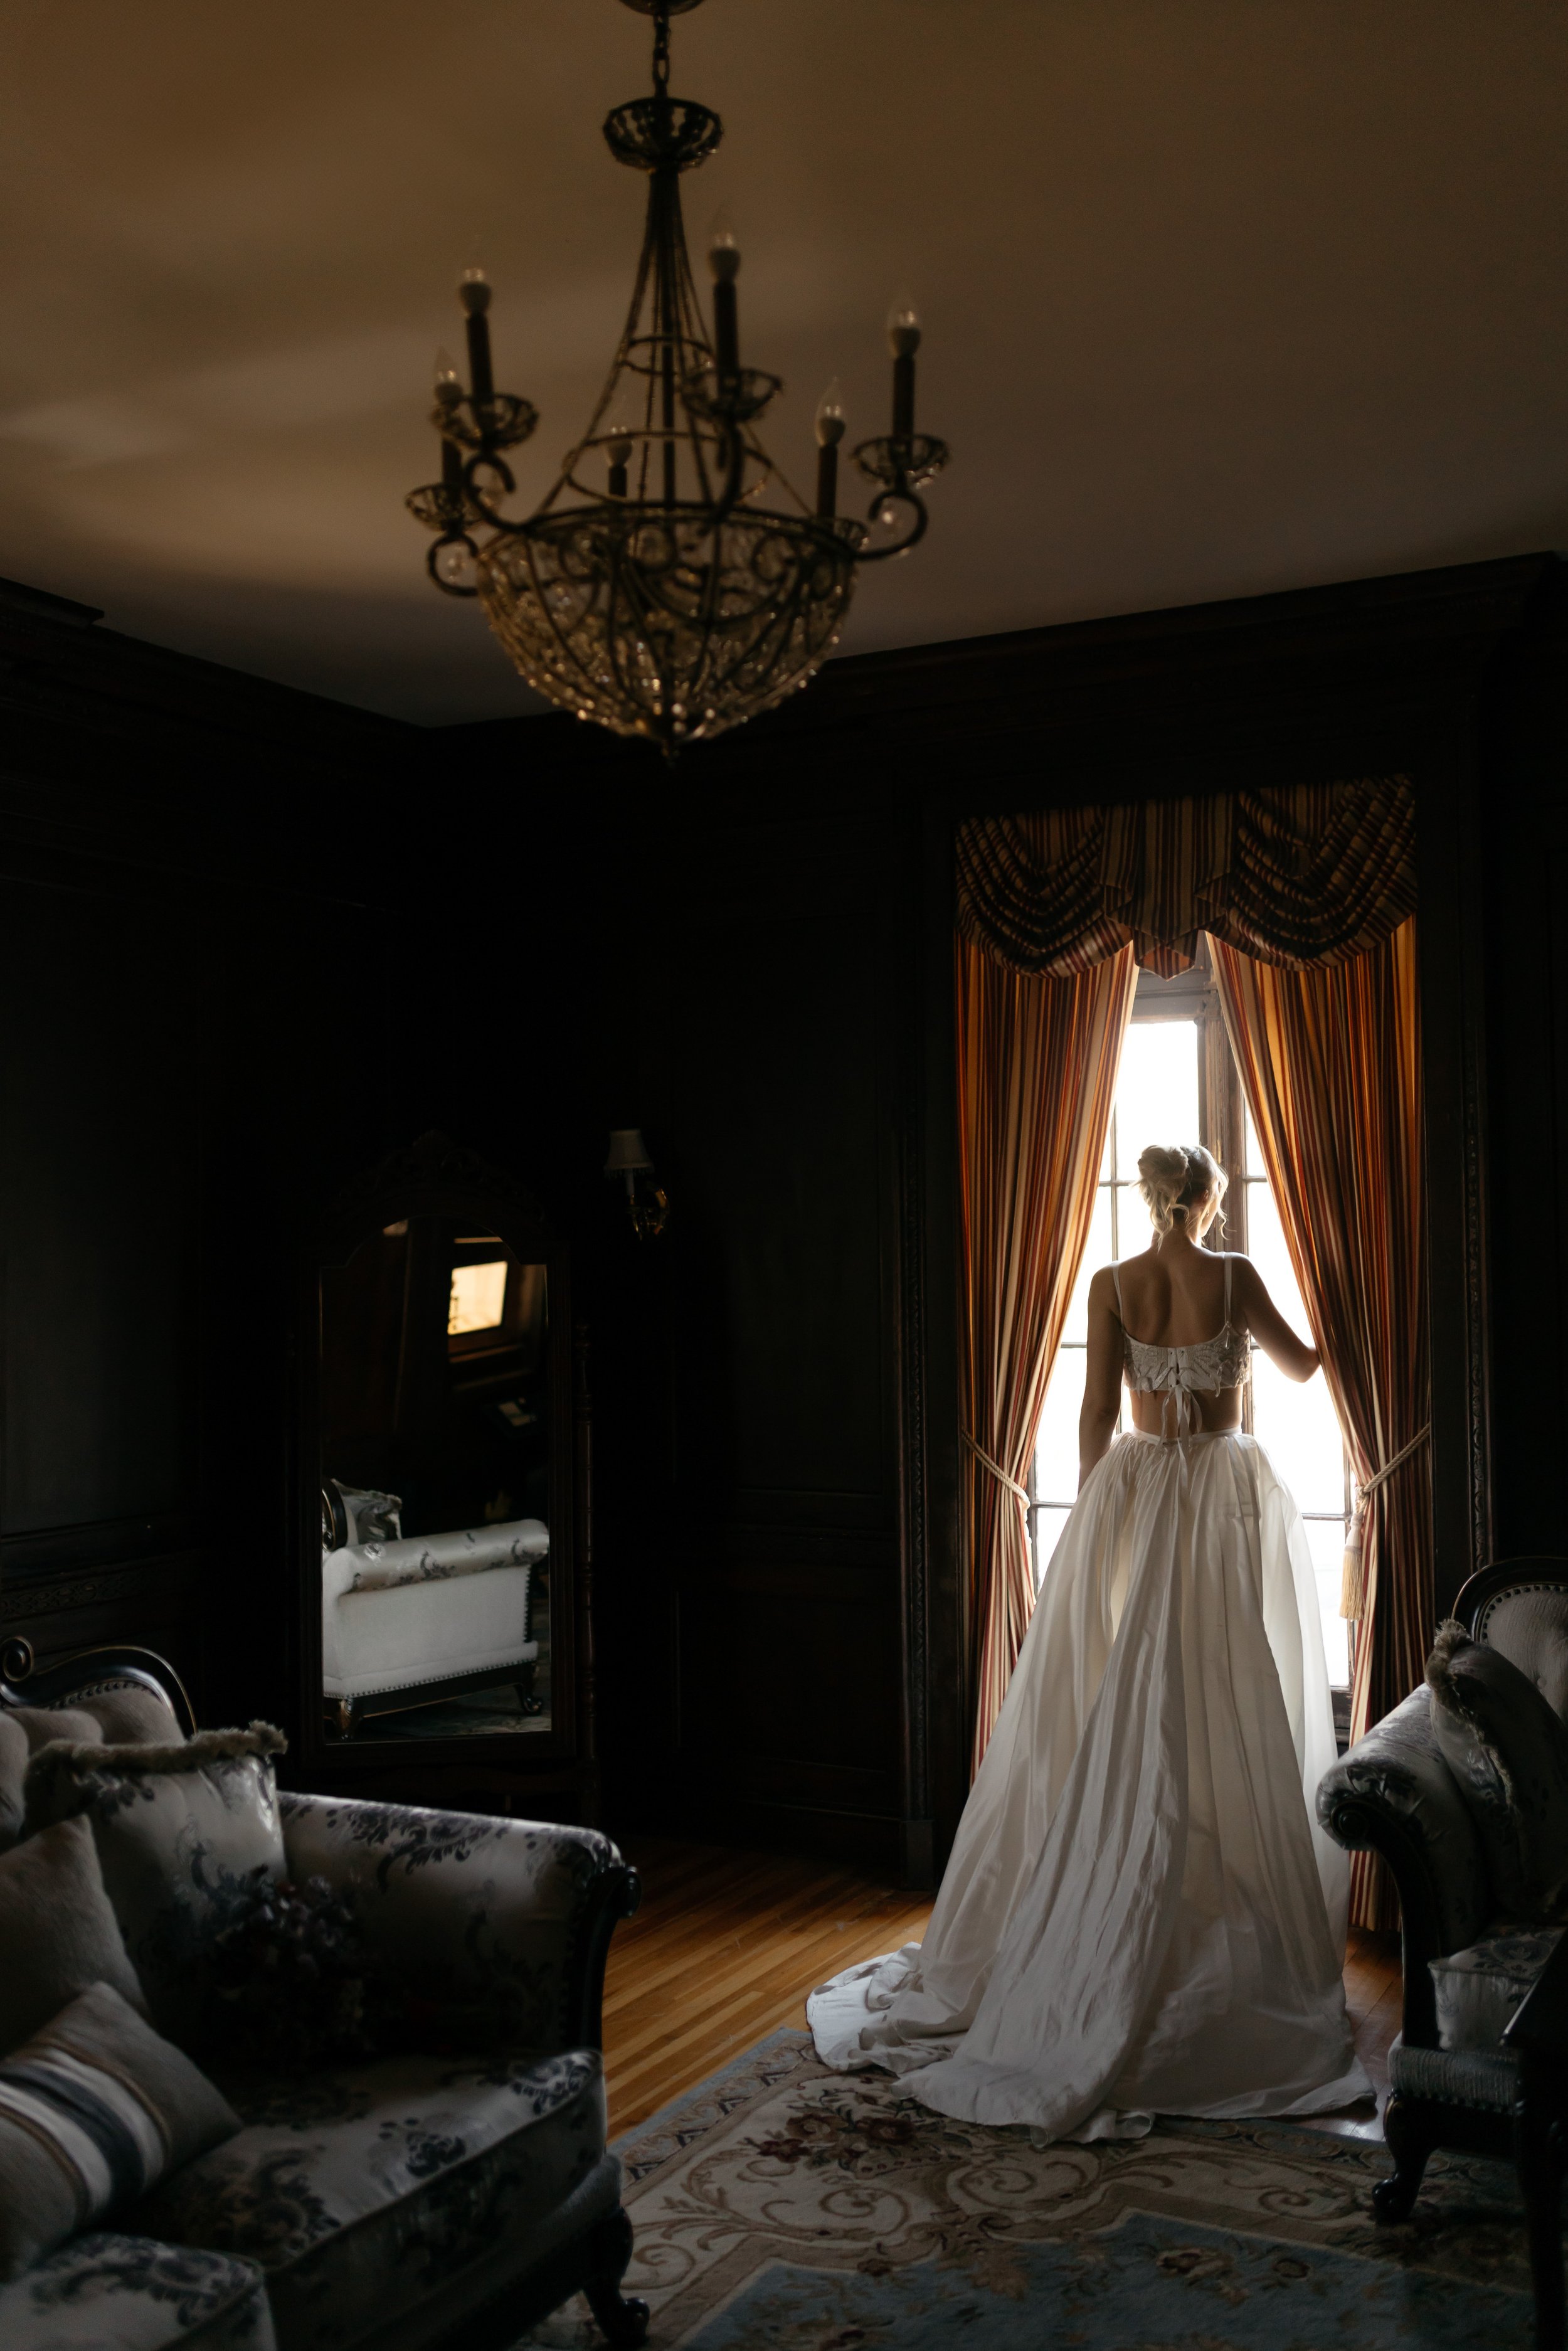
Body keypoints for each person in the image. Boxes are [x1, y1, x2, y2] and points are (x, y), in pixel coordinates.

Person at [808, 1141, 1370, 2141]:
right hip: (1223, 1494)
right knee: (1224, 1690)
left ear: (1154, 1197)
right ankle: (1200, 1907)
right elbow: (1302, 1365)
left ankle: (1138, 1895)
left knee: (1138, 1694)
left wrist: (1098, 1522)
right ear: (1206, 1200)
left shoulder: (1112, 1283)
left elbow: (1096, 1413)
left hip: (1141, 1491)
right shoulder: (1235, 1275)